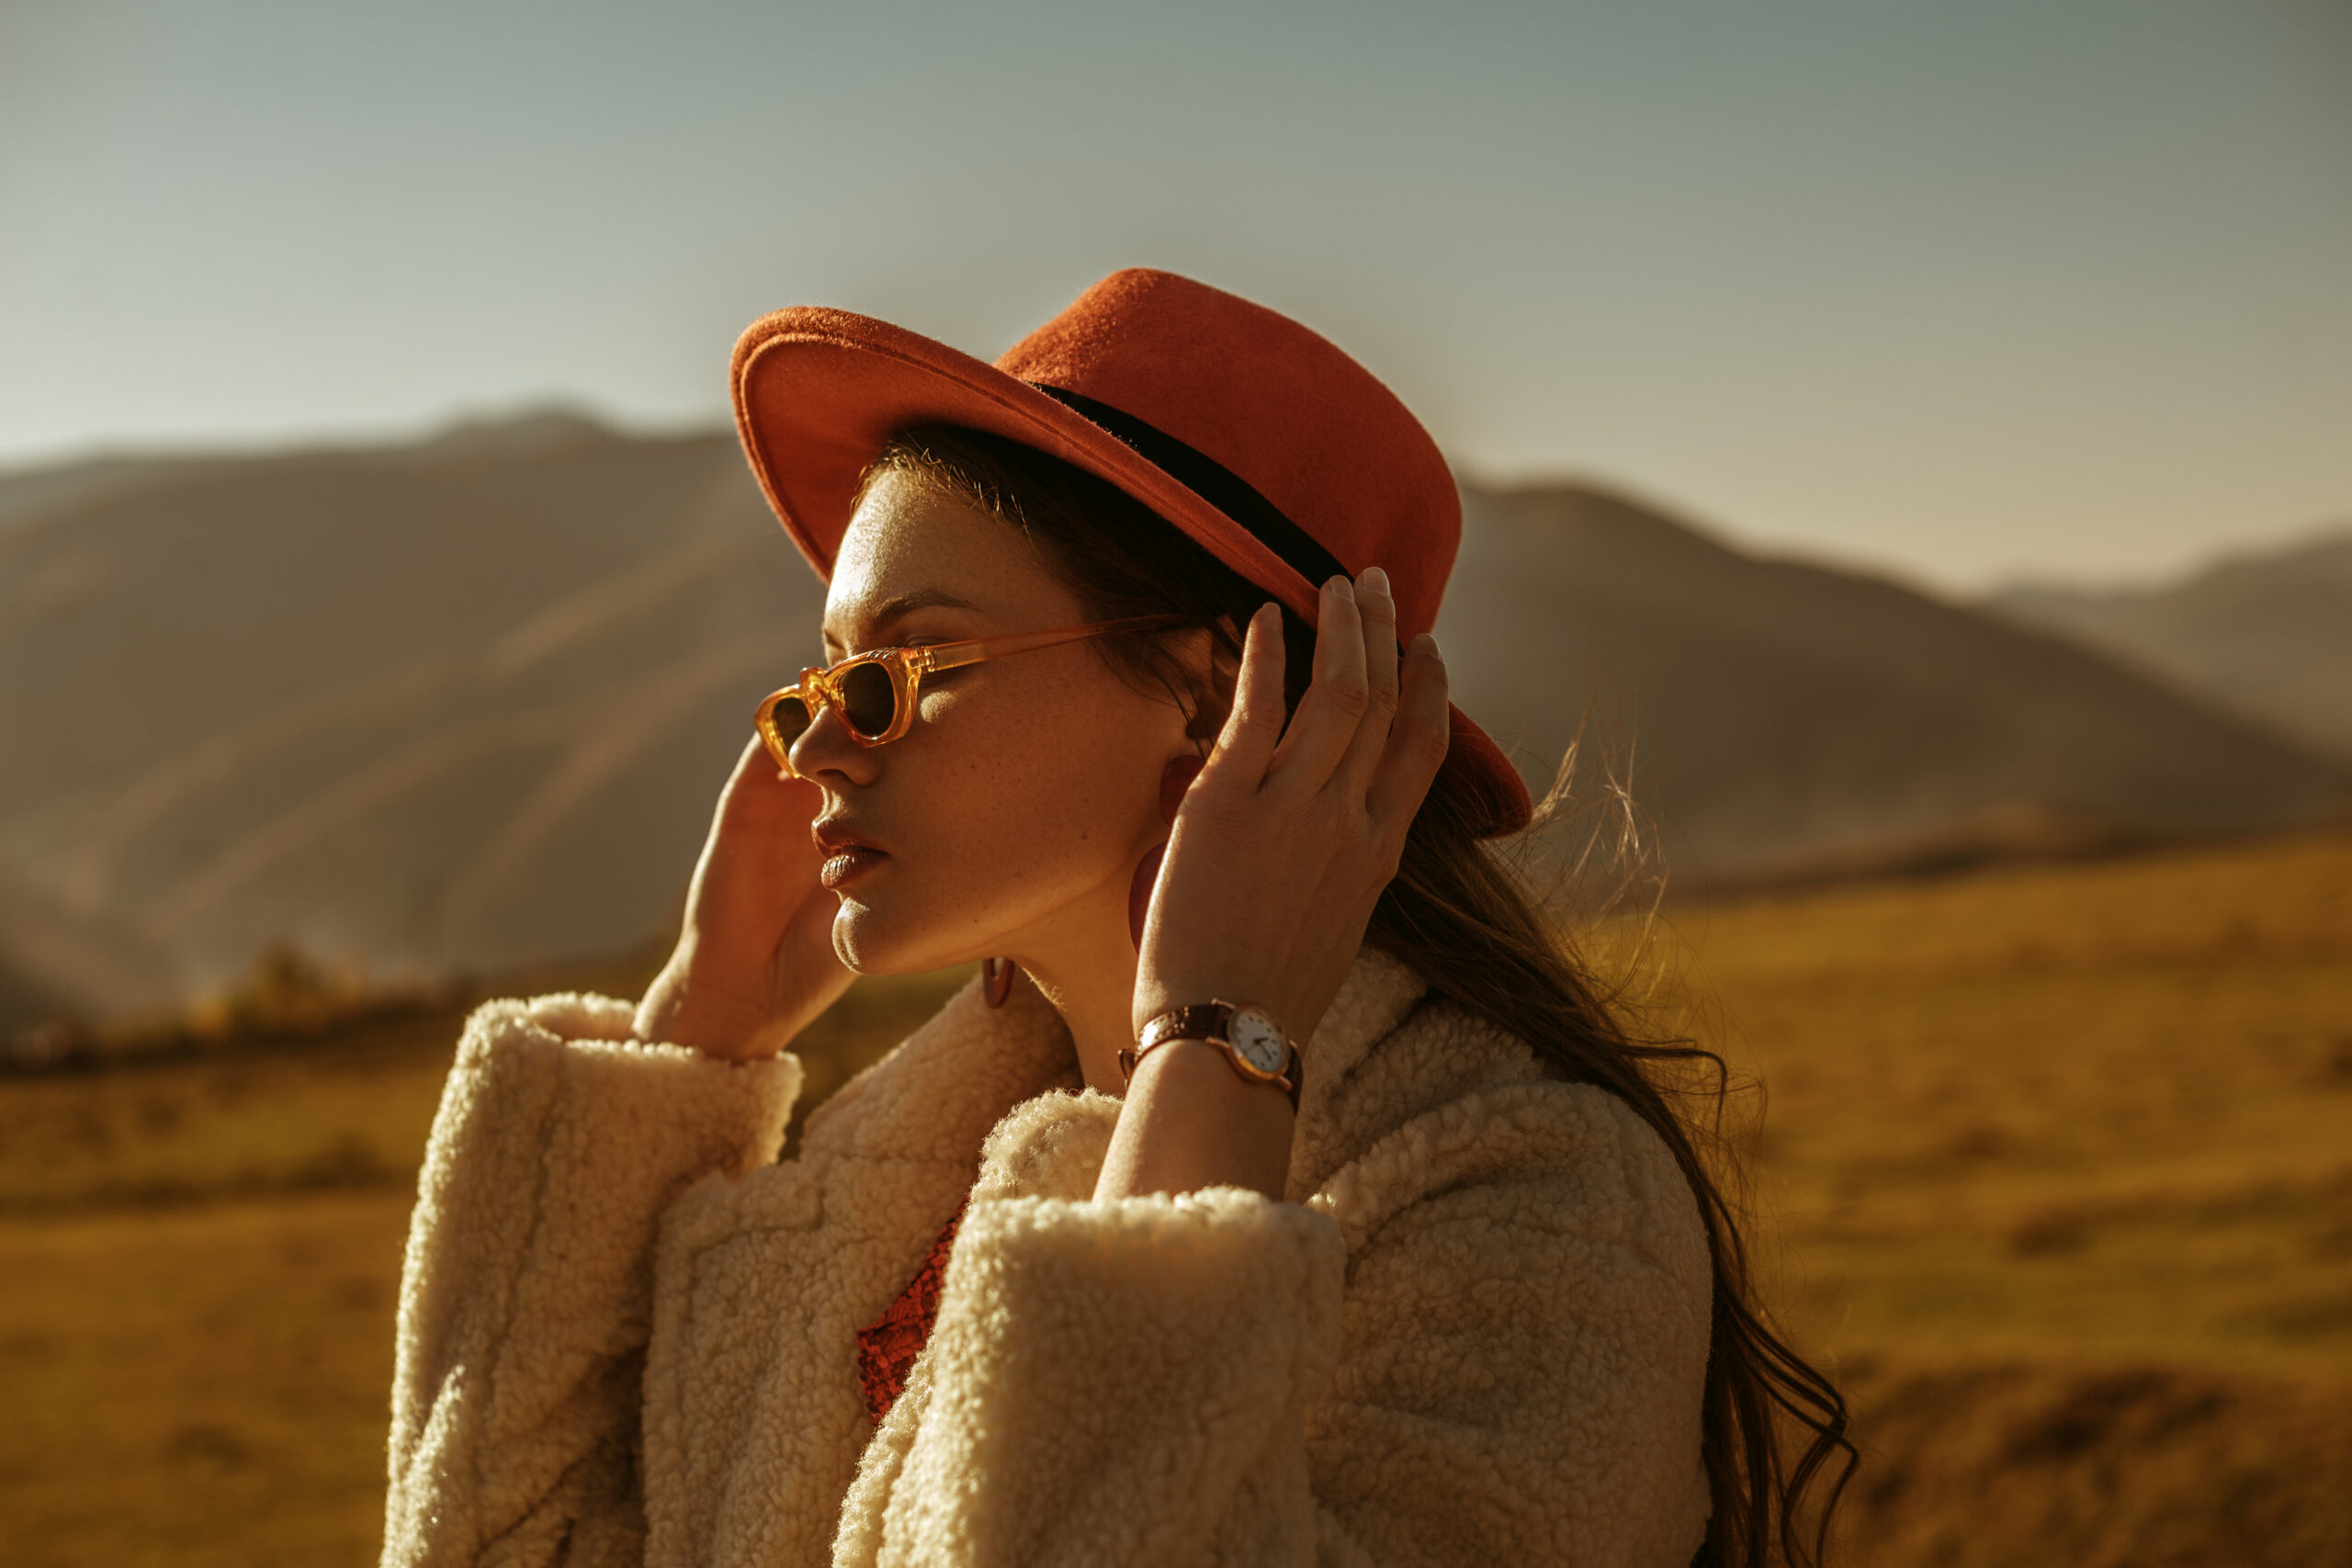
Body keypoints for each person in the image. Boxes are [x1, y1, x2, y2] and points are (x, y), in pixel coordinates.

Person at [381, 269, 1849, 1567]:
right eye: (823, 680)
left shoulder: (1528, 1211)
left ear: (1218, 693)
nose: (819, 744)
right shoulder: (884, 1183)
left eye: (911, 662)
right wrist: (700, 1028)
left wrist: (1214, 1050)